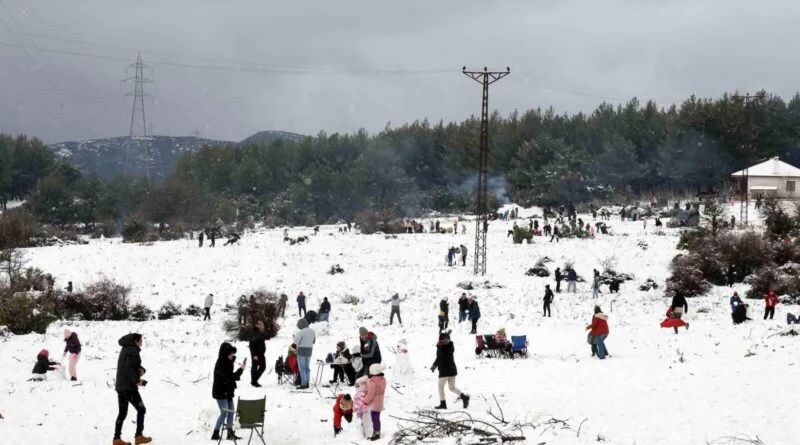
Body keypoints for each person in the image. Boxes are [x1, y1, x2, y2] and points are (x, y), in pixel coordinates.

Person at [114, 333, 151, 445]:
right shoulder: (132, 350)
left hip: (121, 386)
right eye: (140, 340)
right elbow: (129, 368)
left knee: (122, 413)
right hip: (128, 387)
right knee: (141, 409)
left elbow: (132, 366)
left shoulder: (127, 349)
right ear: (135, 341)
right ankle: (138, 436)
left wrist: (141, 370)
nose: (142, 342)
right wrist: (137, 381)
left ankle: (116, 439)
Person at [211, 342, 246, 441]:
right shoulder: (220, 364)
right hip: (220, 392)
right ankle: (215, 433)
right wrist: (241, 370)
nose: (232, 355)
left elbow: (230, 377)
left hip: (228, 391)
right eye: (230, 354)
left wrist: (240, 369)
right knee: (224, 413)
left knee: (231, 412)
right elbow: (228, 378)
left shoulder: (228, 362)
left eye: (232, 353)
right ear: (225, 354)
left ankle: (230, 433)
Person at [430, 332, 470, 410]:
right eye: (442, 340)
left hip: (446, 370)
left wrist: (443, 345)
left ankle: (443, 404)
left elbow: (444, 354)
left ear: (448, 340)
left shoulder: (449, 347)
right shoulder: (440, 347)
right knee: (452, 387)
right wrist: (434, 365)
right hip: (451, 370)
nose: (444, 341)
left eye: (446, 340)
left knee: (440, 387)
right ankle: (464, 397)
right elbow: (438, 358)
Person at [364, 363, 386, 441]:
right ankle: (376, 432)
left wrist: (365, 401)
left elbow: (370, 394)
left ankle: (377, 433)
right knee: (377, 418)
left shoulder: (372, 382)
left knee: (375, 419)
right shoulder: (383, 379)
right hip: (380, 402)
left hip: (374, 404)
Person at [294, 318, 315, 389]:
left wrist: (294, 337)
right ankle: (307, 383)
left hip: (301, 351)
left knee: (302, 368)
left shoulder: (301, 332)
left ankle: (303, 384)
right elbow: (313, 341)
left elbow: (296, 342)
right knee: (307, 368)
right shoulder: (312, 331)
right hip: (309, 351)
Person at [249, 320, 267, 387]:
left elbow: (265, 336)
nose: (262, 325)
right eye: (260, 324)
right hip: (256, 354)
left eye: (262, 324)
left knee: (263, 367)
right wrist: (254, 355)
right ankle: (254, 381)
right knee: (255, 367)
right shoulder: (254, 333)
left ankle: (254, 380)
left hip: (261, 353)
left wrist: (262, 331)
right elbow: (251, 345)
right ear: (256, 325)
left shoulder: (260, 332)